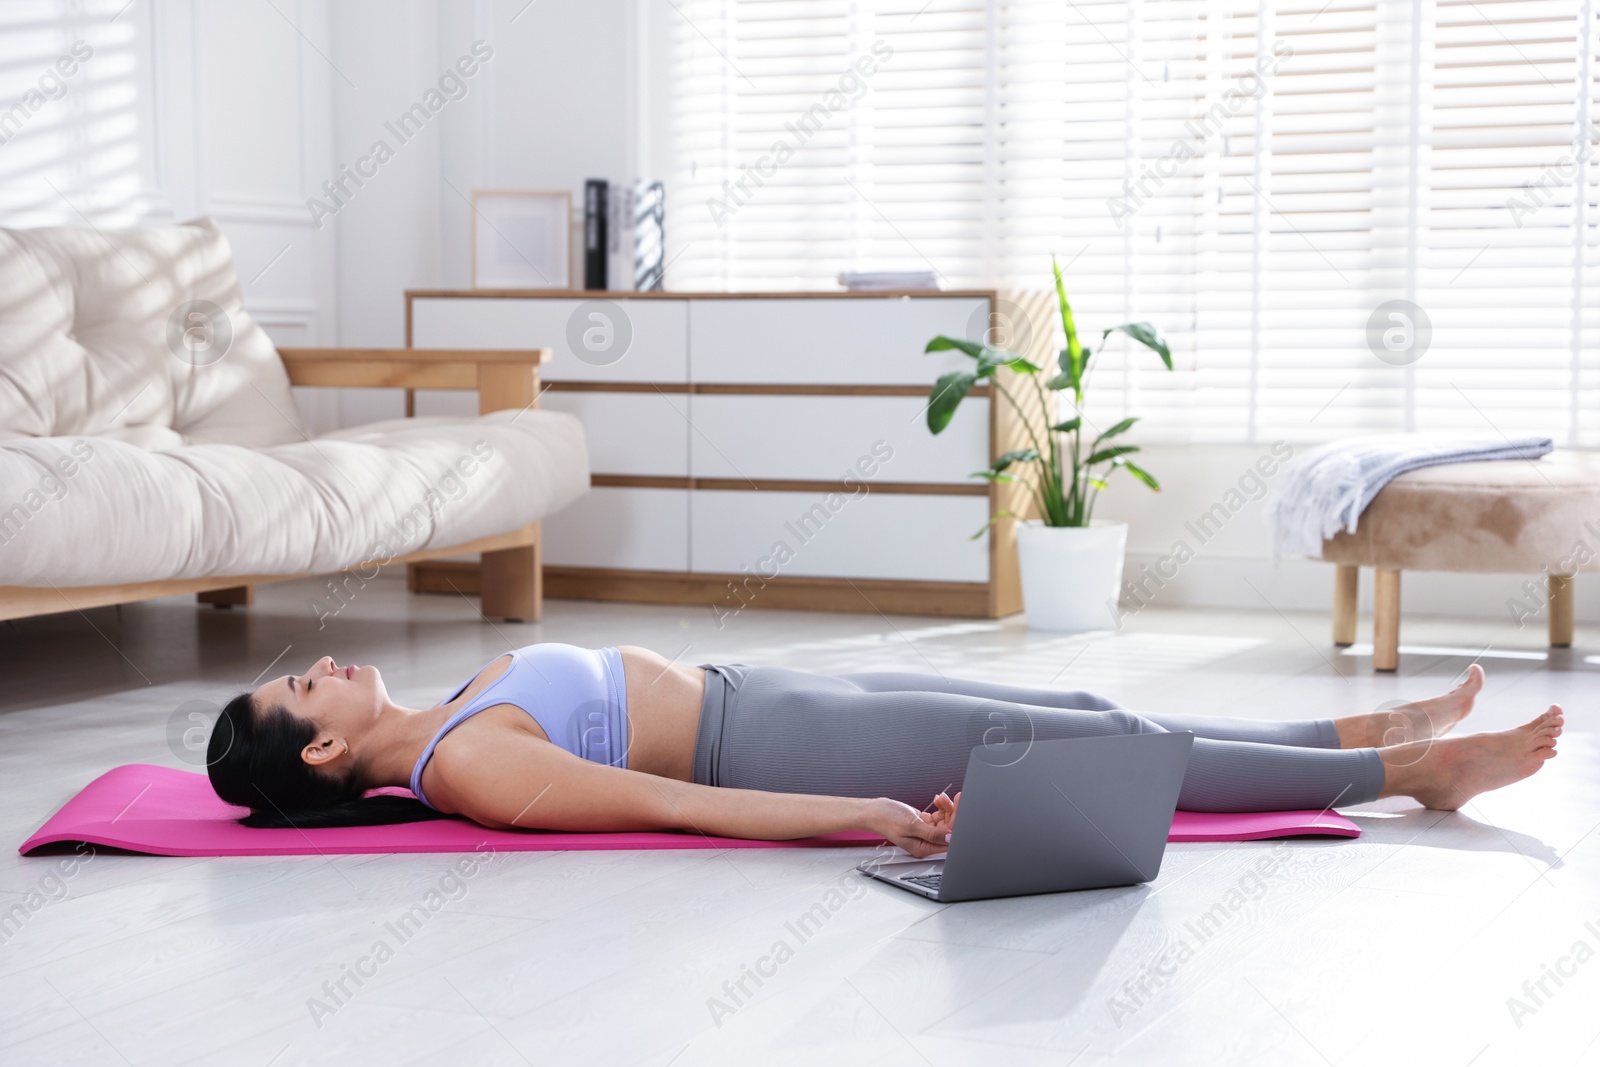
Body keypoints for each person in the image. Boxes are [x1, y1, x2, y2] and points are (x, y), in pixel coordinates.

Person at [205, 645, 1561, 858]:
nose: (321, 660)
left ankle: (1355, 730)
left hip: (784, 687)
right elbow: (665, 805)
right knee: (1094, 750)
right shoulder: (465, 768)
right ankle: (1405, 776)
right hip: (781, 744)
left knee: (1087, 710)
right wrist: (860, 816)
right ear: (323, 745)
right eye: (298, 684)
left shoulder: (449, 705)